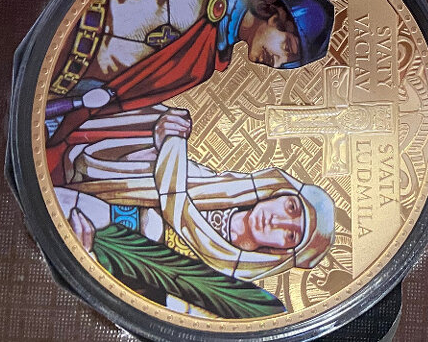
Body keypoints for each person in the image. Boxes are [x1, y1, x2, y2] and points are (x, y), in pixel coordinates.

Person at [44, 0, 335, 183]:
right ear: (276, 14)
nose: (279, 62)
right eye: (288, 47)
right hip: (62, 20)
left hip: (58, 84)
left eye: (288, 63)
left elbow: (120, 96)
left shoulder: (205, 65)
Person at [58, 107, 335, 313]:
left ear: (282, 252)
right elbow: (146, 171)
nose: (278, 221)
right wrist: (162, 138)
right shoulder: (211, 186)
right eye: (291, 207)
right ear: (280, 192)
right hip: (76, 195)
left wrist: (93, 260)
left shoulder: (223, 282)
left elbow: (152, 303)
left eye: (291, 235)